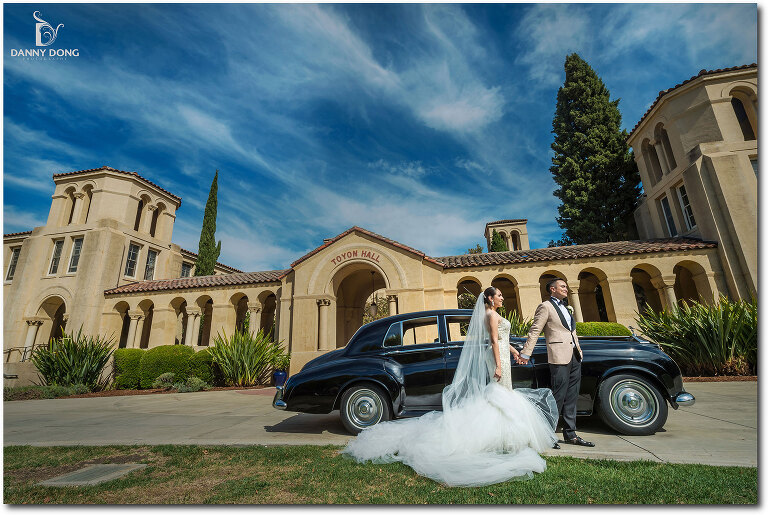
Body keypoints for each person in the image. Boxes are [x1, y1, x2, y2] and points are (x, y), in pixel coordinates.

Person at [342, 286, 558, 487]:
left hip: (502, 353)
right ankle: (501, 437)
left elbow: (501, 339)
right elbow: (493, 340)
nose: (502, 298)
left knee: (502, 395)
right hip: (497, 358)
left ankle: (504, 436)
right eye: (499, 295)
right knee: (500, 395)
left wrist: (513, 351)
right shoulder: (491, 315)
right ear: (491, 299)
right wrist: (500, 365)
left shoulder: (493, 314)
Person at [518, 278, 595, 447]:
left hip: (575, 355)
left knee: (572, 396)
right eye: (562, 286)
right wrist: (525, 353)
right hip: (558, 355)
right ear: (552, 289)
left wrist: (579, 351)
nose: (566, 289)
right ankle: (547, 435)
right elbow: (535, 330)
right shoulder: (545, 306)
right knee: (558, 396)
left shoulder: (566, 307)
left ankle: (571, 434)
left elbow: (570, 331)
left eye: (566, 286)